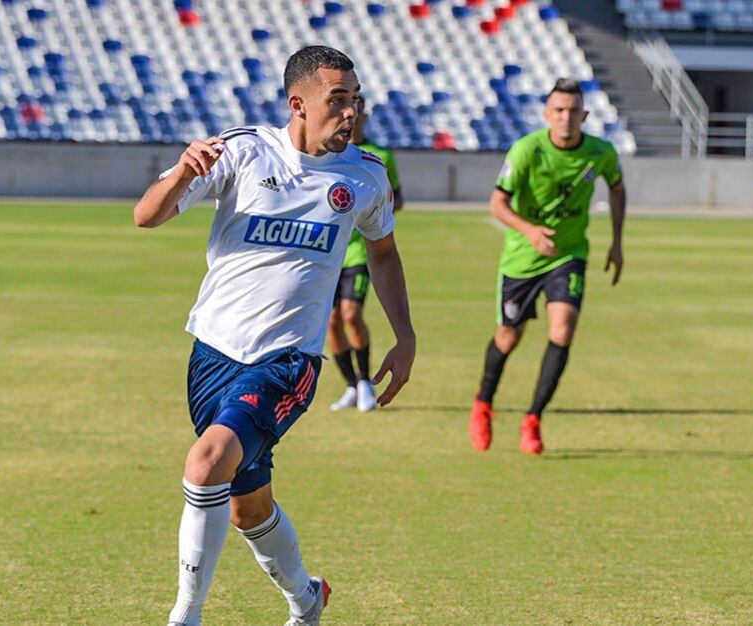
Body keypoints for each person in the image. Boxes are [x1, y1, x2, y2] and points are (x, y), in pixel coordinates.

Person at [132, 46, 416, 625]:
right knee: (246, 505)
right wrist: (185, 169)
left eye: (355, 100)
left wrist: (404, 335)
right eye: (337, 100)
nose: (350, 113)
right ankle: (307, 601)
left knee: (207, 461)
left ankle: (186, 615)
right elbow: (147, 215)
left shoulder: (364, 175)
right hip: (213, 354)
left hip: (289, 361)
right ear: (298, 104)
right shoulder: (242, 151)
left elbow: (383, 252)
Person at [469, 78, 626, 455]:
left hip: (569, 254)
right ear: (547, 114)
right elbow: (497, 204)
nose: (566, 118)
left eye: (573, 111)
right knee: (509, 337)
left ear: (585, 115)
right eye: (558, 110)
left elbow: (617, 187)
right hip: (522, 259)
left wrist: (617, 242)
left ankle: (533, 419)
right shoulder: (527, 150)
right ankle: (483, 403)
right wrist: (530, 230)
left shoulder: (601, 152)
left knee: (563, 330)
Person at [327, 101, 404, 412]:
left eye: (358, 110)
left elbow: (397, 199)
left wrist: (370, 207)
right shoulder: (329, 156)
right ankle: (350, 386)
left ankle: (365, 383)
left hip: (359, 251)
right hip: (331, 252)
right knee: (331, 322)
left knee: (351, 315)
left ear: (364, 116)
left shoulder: (381, 157)